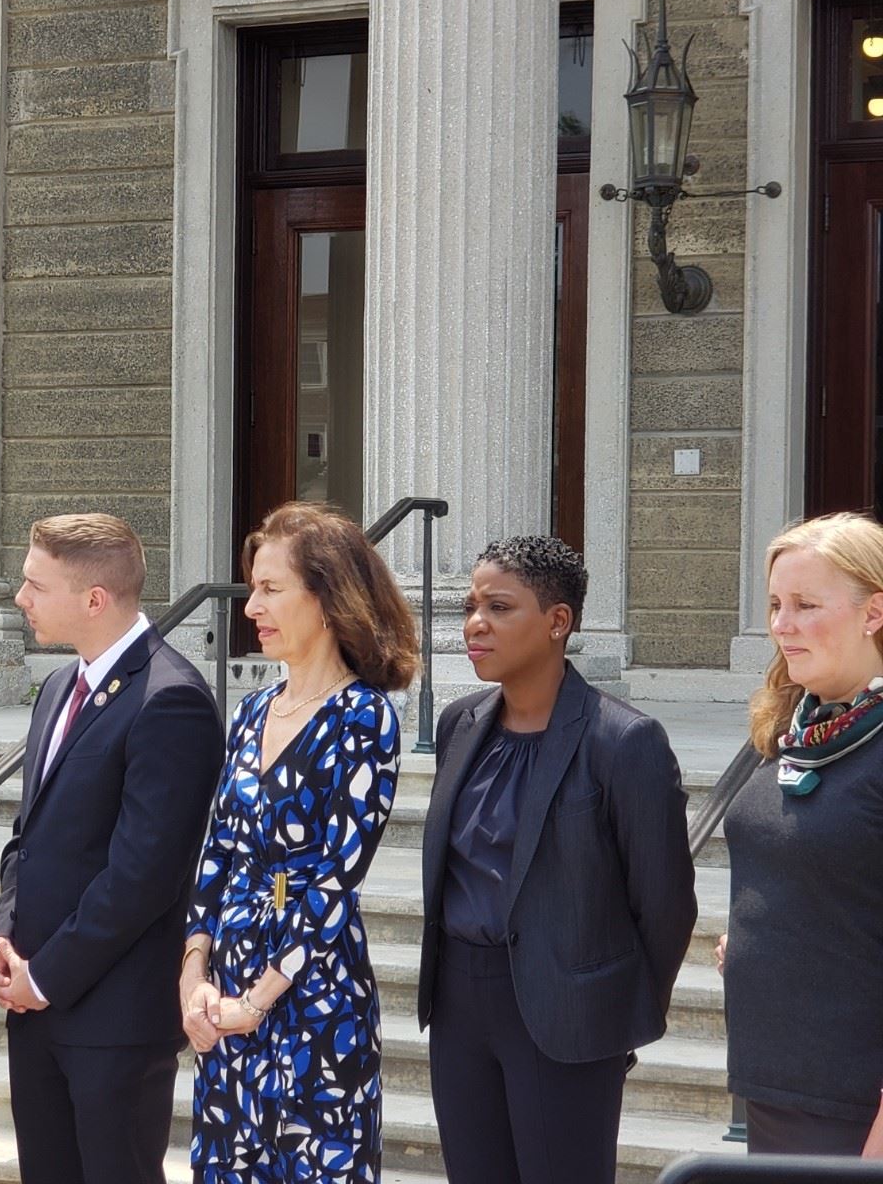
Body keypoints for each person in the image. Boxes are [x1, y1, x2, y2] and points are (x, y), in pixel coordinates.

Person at [418, 535, 695, 1184]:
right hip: (460, 1004)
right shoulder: (460, 724)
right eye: (470, 606)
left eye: (499, 607)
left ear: (557, 622)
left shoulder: (624, 741)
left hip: (567, 1013)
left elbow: (665, 905)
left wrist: (608, 1013)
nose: (475, 623)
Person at [0, 514, 224, 1184]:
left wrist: (45, 976)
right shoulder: (60, 687)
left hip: (113, 1021)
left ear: (94, 599)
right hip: (36, 1009)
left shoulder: (171, 700)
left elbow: (142, 876)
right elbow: (27, 840)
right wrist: (5, 938)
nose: (20, 599)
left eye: (35, 585)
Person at [181, 502, 416, 1183]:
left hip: (314, 1002)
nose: (252, 605)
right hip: (227, 1002)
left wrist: (257, 1000)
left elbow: (334, 879)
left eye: (271, 588)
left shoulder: (364, 716)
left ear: (327, 595)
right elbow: (219, 853)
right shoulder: (254, 712)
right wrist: (194, 974)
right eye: (253, 587)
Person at [720, 512, 883, 1155]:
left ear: (874, 611)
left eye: (806, 605)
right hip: (773, 1083)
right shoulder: (793, 730)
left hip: (853, 1105)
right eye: (776, 604)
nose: (781, 625)